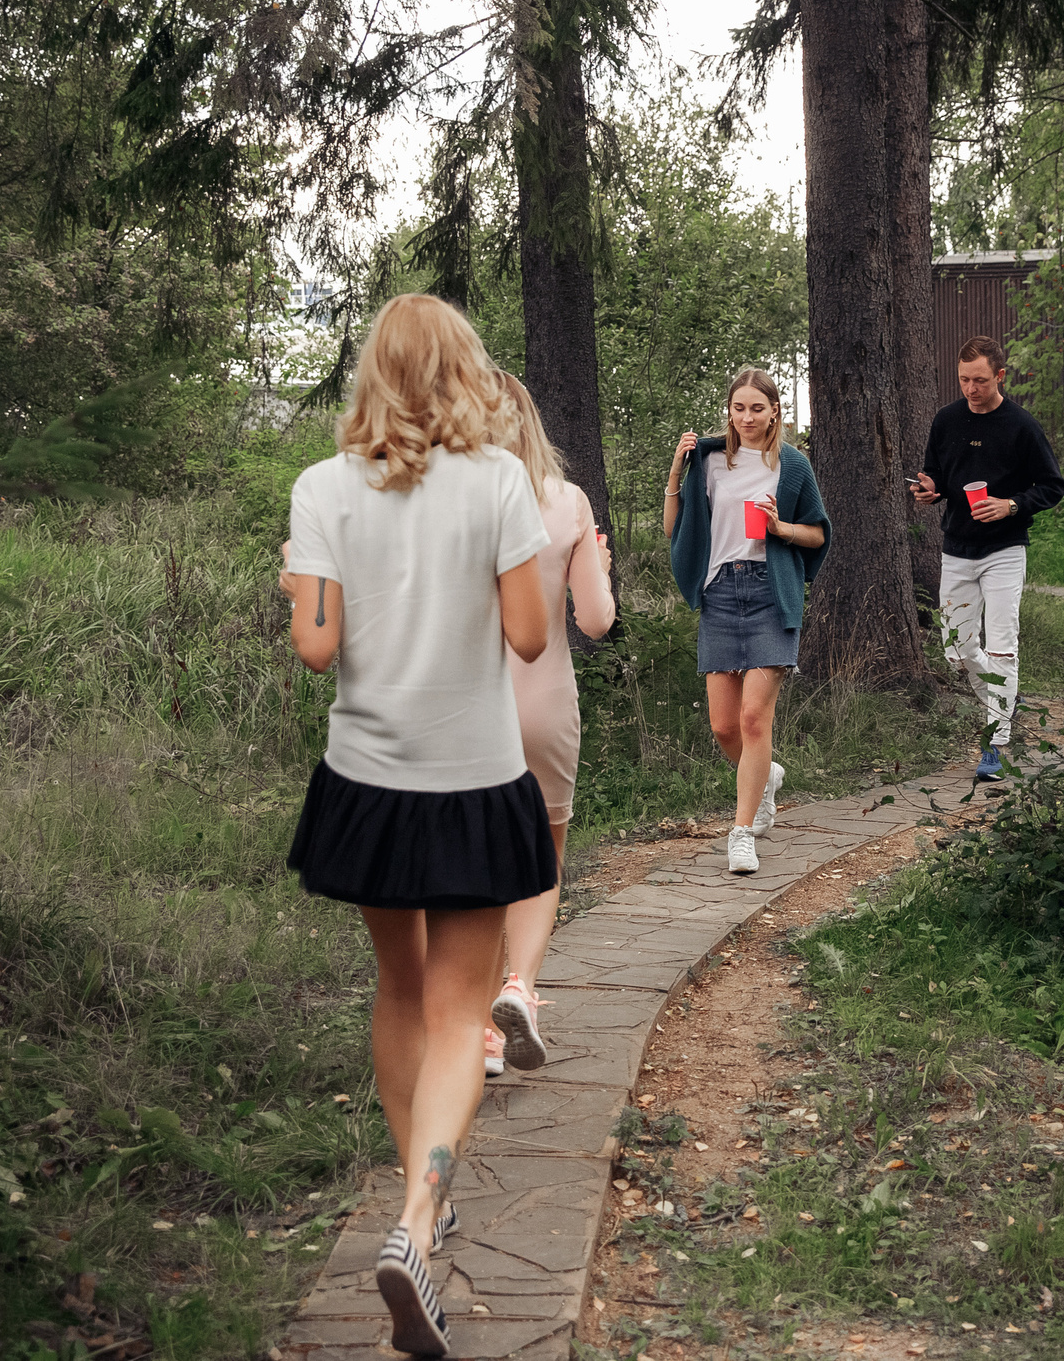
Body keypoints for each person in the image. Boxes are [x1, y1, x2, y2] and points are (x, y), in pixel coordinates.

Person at [277, 294, 557, 1358]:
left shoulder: (320, 490)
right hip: (474, 780)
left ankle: (415, 1215)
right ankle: (417, 1221)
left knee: (401, 994)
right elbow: (530, 639)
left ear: (372, 376)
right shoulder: (497, 484)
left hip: (368, 781)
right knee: (458, 1016)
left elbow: (315, 647)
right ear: (461, 371)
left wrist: (301, 586)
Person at [486, 370, 616, 1076]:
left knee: (472, 861)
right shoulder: (567, 502)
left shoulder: (450, 500)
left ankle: (478, 1031)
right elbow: (596, 620)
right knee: (540, 856)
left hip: (470, 705)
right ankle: (521, 986)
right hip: (544, 703)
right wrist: (593, 558)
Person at [662, 367, 831, 876]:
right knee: (723, 726)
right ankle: (766, 777)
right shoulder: (709, 462)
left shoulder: (793, 465)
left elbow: (818, 535)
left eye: (758, 408)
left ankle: (741, 832)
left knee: (755, 720)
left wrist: (780, 527)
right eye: (740, 408)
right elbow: (676, 530)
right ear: (729, 411)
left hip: (768, 593)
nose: (748, 417)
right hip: (720, 593)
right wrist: (676, 471)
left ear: (774, 411)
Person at [910, 335, 1064, 782]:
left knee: (1002, 645)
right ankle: (1006, 697)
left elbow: (1052, 486)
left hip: (1005, 550)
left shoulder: (1021, 425)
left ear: (1000, 376)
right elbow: (935, 474)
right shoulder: (946, 420)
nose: (971, 389)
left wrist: (1011, 505)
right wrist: (928, 490)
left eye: (980, 380)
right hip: (957, 548)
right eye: (964, 380)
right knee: (956, 651)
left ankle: (995, 743)